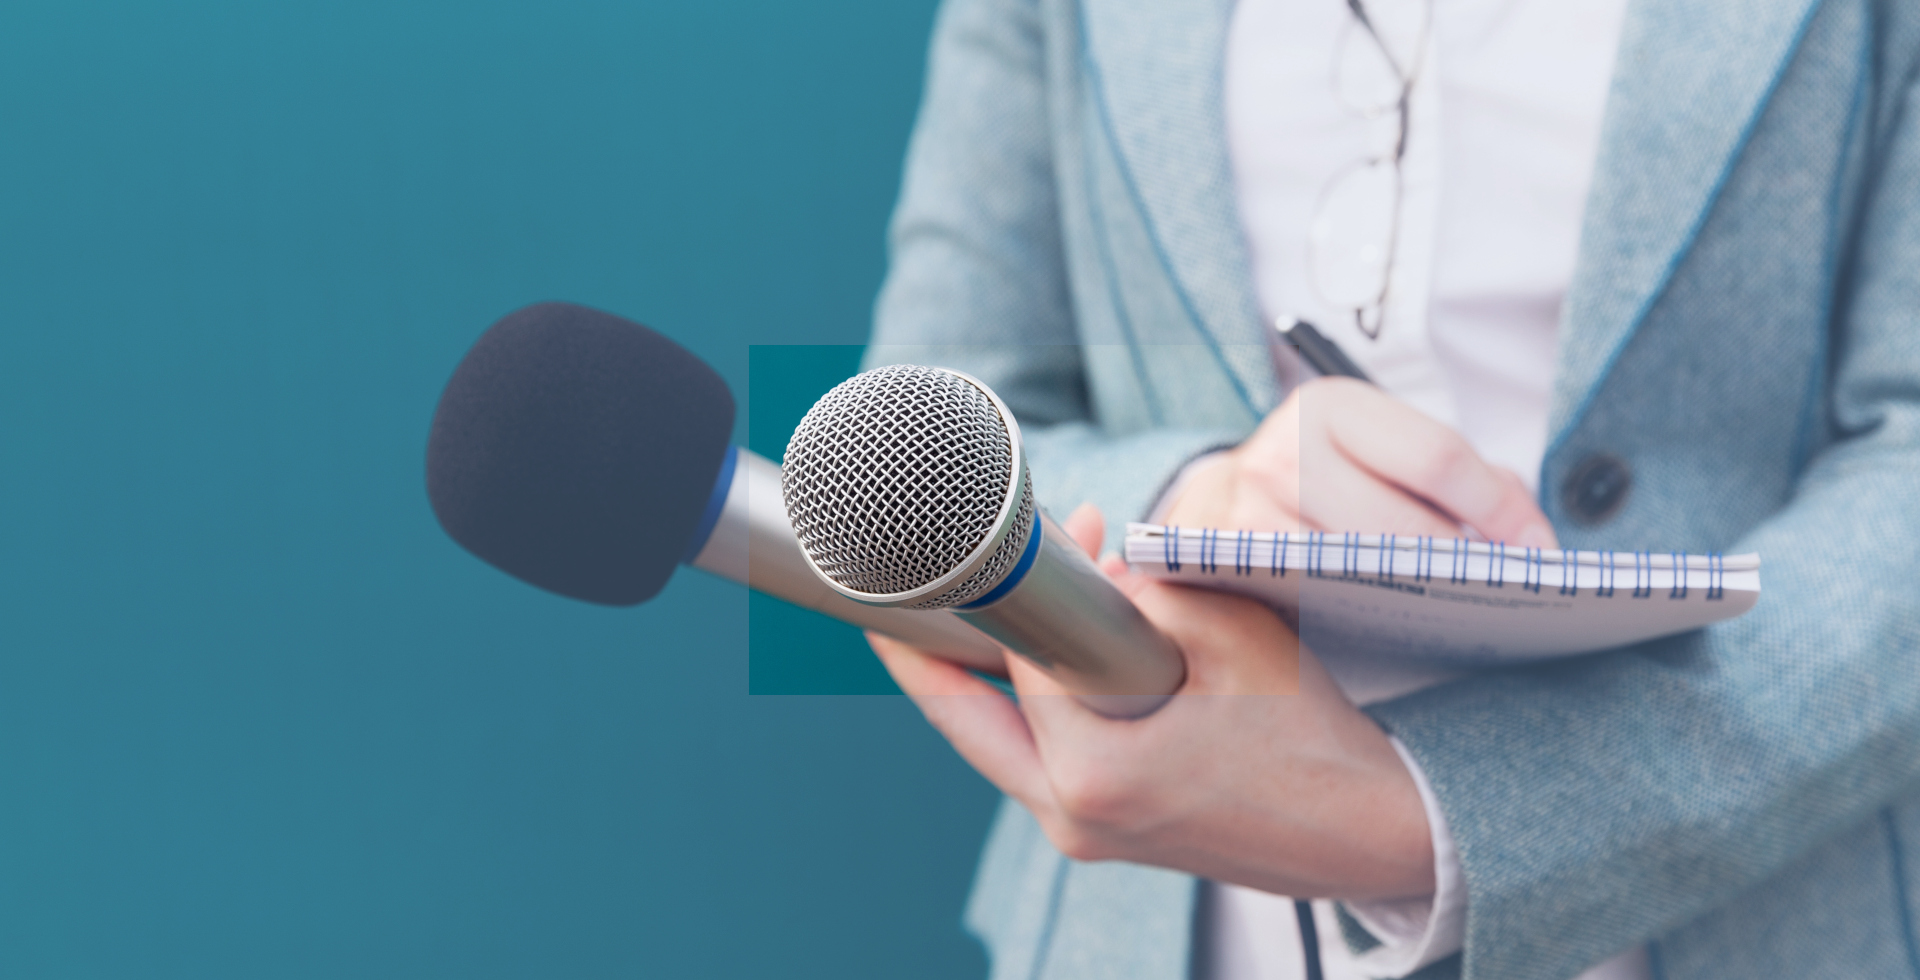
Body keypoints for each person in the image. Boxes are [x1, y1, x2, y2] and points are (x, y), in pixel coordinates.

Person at [860, 0, 1920, 977]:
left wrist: (1440, 815)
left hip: (1768, 911)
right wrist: (1190, 506)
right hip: (1159, 926)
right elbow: (920, 423)